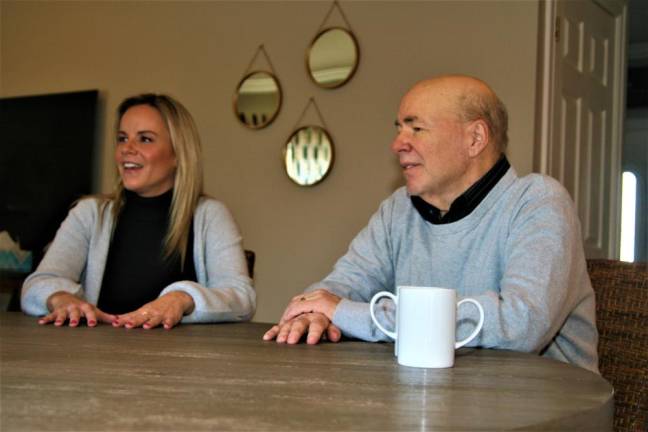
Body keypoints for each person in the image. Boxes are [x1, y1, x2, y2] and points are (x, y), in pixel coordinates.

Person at [263, 75, 599, 373]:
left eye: (416, 128)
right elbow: (341, 287)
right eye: (398, 128)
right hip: (431, 406)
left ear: (475, 138)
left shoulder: (538, 201)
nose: (398, 144)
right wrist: (317, 314)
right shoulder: (399, 209)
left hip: (545, 414)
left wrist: (347, 313)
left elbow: (522, 323)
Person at [22, 93, 255, 330]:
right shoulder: (89, 213)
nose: (127, 149)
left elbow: (242, 298)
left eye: (145, 139)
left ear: (177, 154)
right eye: (122, 138)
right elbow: (38, 283)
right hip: (96, 358)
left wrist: (182, 298)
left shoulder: (211, 215)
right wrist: (60, 298)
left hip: (182, 363)